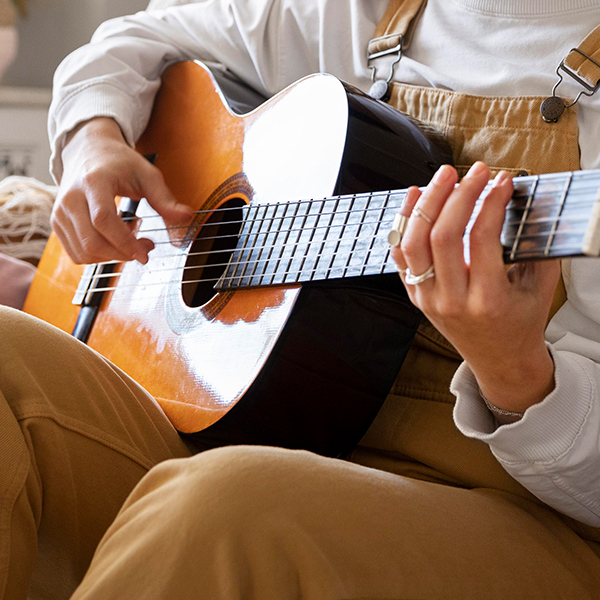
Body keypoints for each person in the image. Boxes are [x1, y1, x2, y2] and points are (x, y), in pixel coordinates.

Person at [2, 0, 600, 598]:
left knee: (224, 506)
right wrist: (91, 138)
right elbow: (133, 38)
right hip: (280, 431)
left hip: (521, 515)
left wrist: (513, 370)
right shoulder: (366, 13)